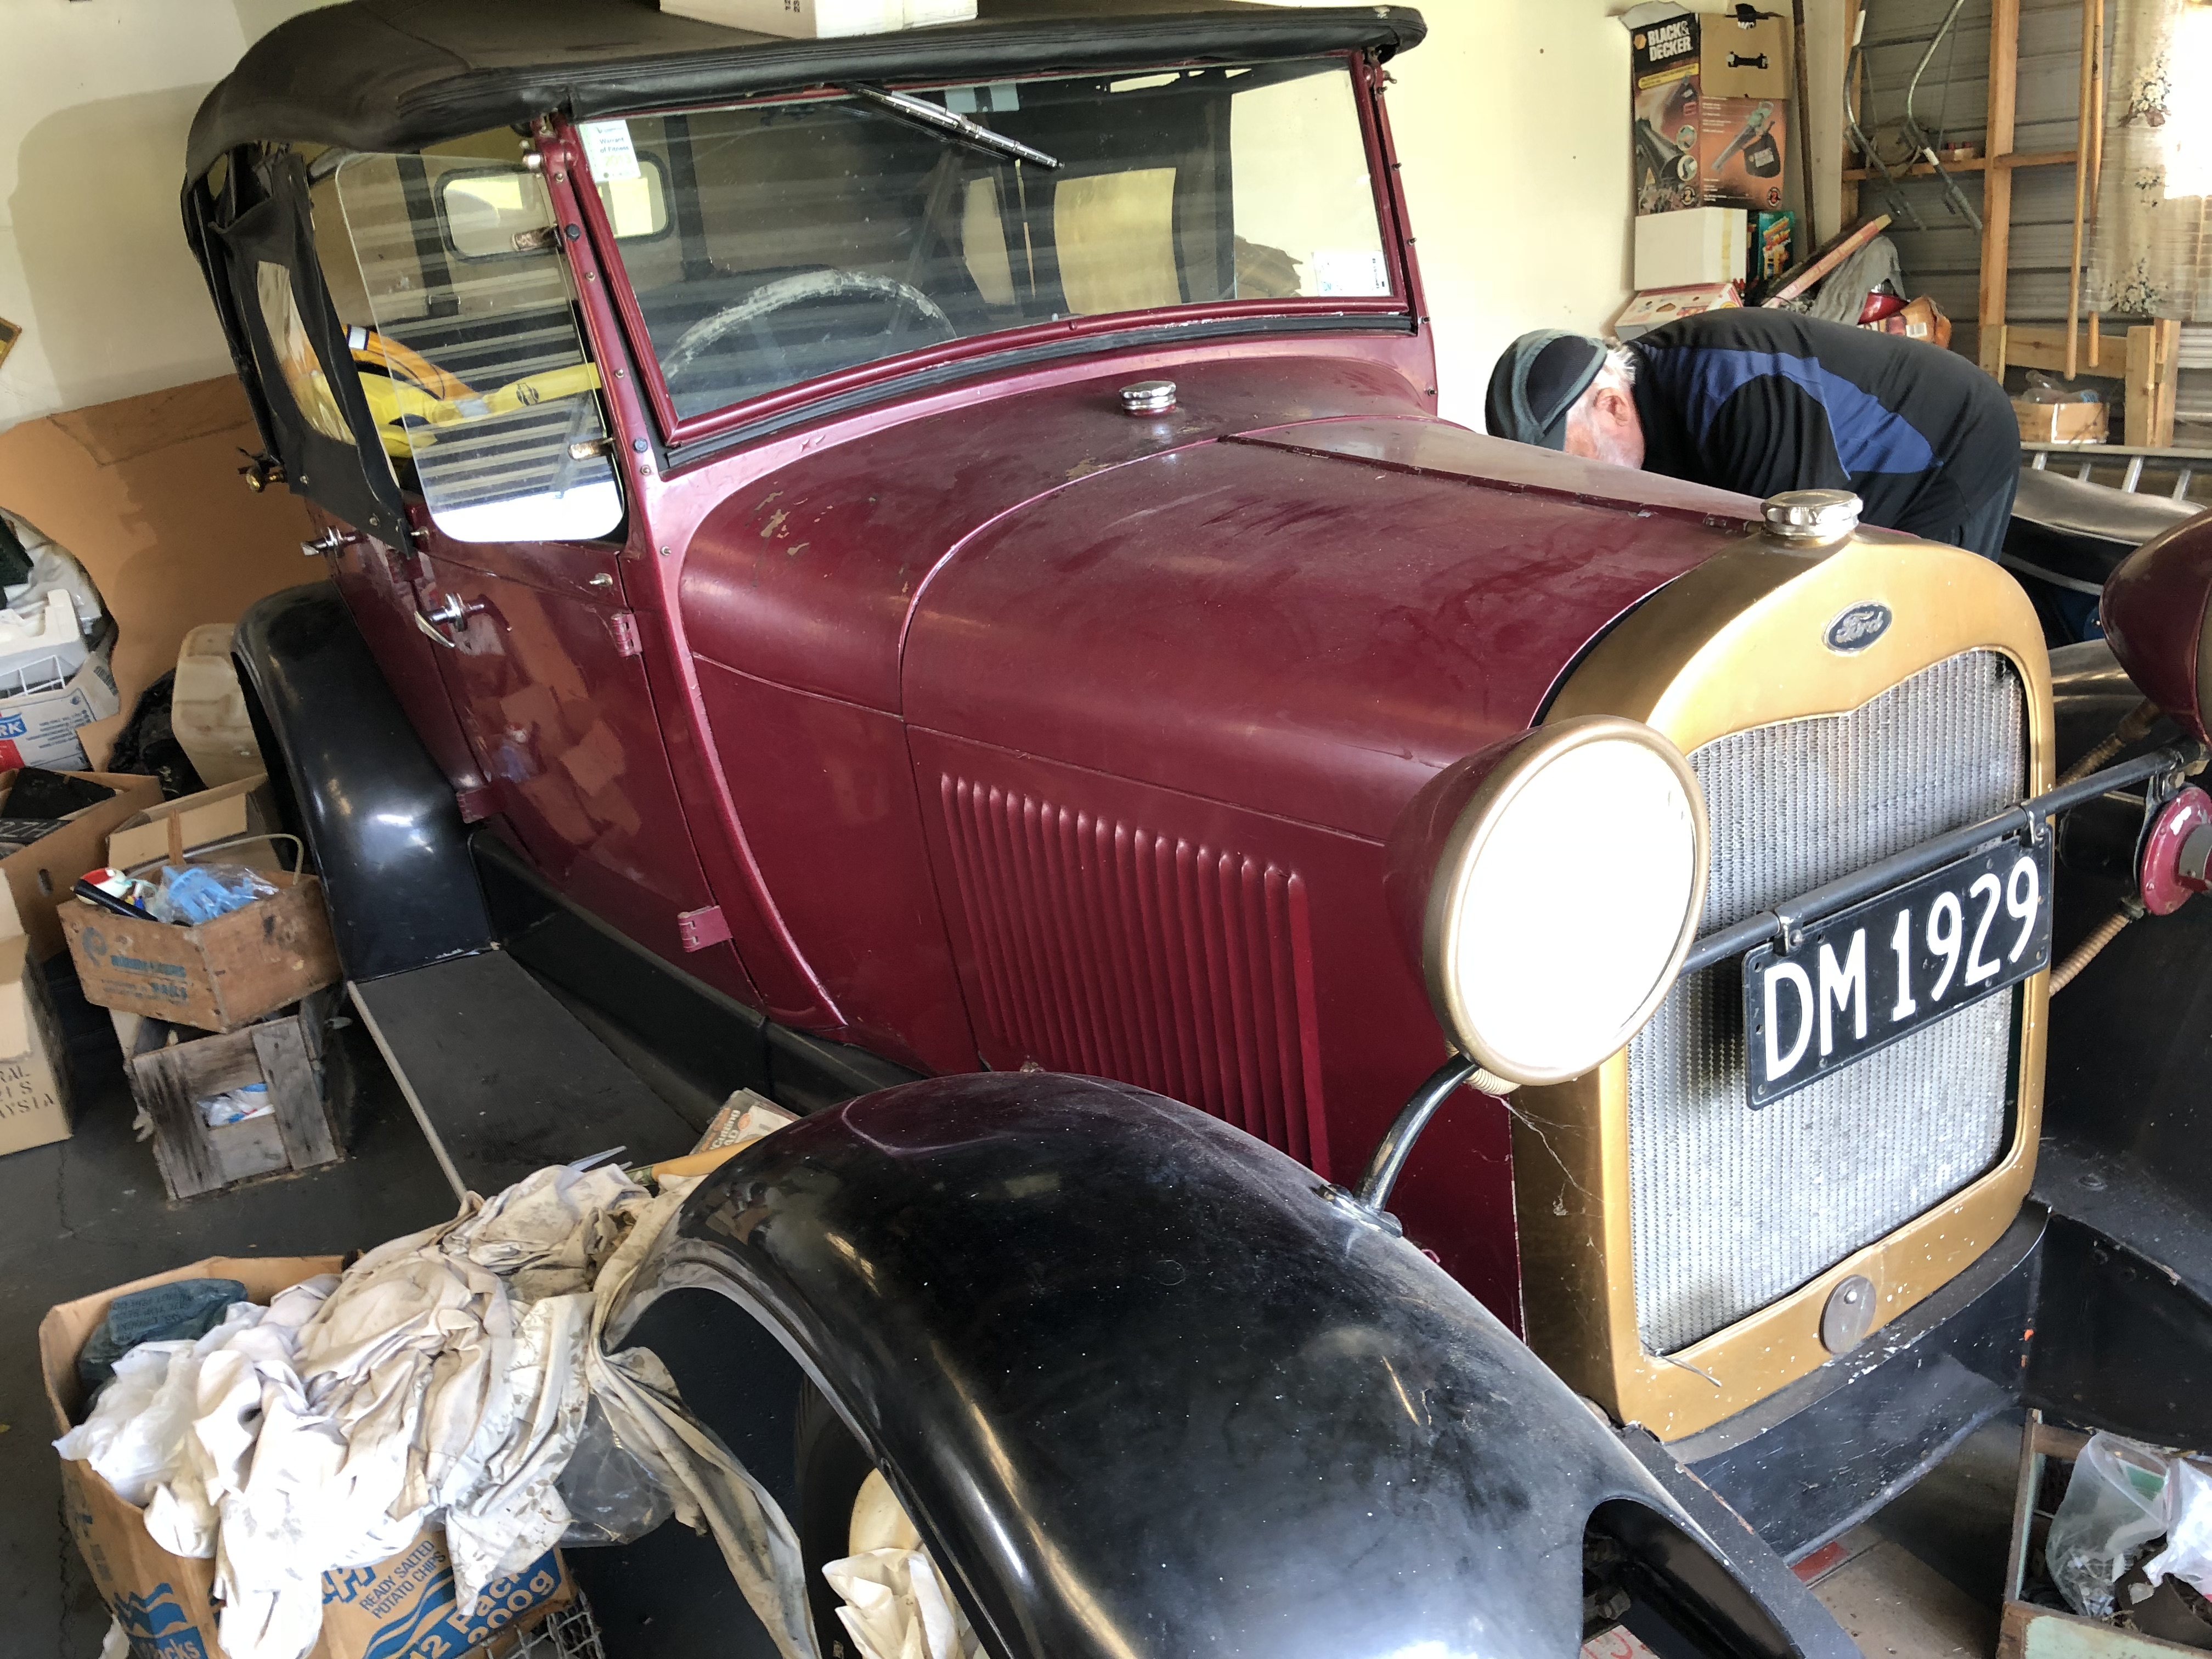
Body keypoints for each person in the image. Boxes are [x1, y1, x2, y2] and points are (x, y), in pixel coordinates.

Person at [1483, 309, 2021, 558]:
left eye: (1580, 468)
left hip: (1954, 444)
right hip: (1858, 466)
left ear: (1612, 406)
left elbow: (1805, 555)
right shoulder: (1644, 402)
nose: (1587, 491)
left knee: (1917, 631)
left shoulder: (1736, 392)